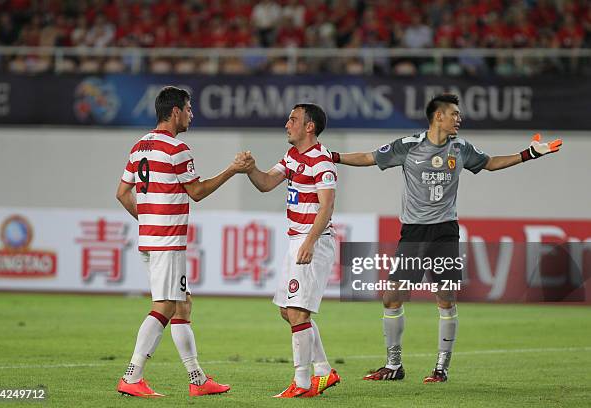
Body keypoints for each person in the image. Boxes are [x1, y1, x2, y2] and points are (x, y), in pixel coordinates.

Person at [330, 93, 562, 383]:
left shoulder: (461, 148)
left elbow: (490, 163)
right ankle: (393, 365)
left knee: (445, 298)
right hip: (414, 232)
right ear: (438, 116)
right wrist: (334, 157)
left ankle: (441, 369)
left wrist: (528, 154)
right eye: (454, 114)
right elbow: (370, 157)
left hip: (445, 231)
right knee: (392, 297)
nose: (459, 119)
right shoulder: (408, 146)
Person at [115, 86, 251, 397]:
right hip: (167, 240)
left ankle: (197, 379)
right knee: (164, 307)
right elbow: (198, 191)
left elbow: (122, 193)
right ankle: (132, 375)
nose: (191, 114)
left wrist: (148, 219)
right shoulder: (177, 149)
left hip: (150, 238)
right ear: (175, 112)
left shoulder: (138, 147)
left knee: (182, 305)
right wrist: (233, 169)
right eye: (189, 109)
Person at [238, 103, 341, 398]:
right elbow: (267, 182)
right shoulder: (293, 156)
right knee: (288, 310)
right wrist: (250, 170)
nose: (287, 124)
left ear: (310, 127)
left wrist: (309, 241)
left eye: (293, 119)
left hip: (313, 241)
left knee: (297, 311)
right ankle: (324, 371)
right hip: (297, 239)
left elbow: (327, 205)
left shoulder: (321, 160)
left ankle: (303, 383)